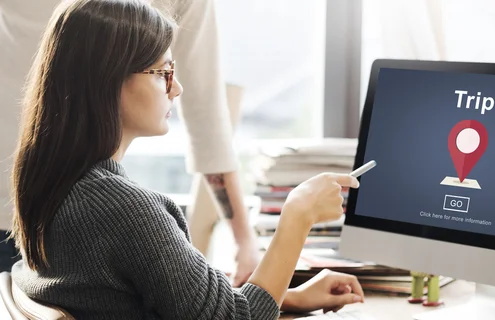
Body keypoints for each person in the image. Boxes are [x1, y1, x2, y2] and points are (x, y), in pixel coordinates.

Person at [9, 0, 365, 319]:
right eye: (162, 73)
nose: (176, 88)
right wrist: (298, 215)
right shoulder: (122, 210)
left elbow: (168, 299)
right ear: (109, 80)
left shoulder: (54, 186)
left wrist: (287, 297)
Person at [0, 0, 261, 285]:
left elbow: (206, 118)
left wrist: (243, 241)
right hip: (32, 212)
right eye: (162, 73)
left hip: (35, 202)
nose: (174, 88)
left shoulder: (122, 207)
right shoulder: (132, 214)